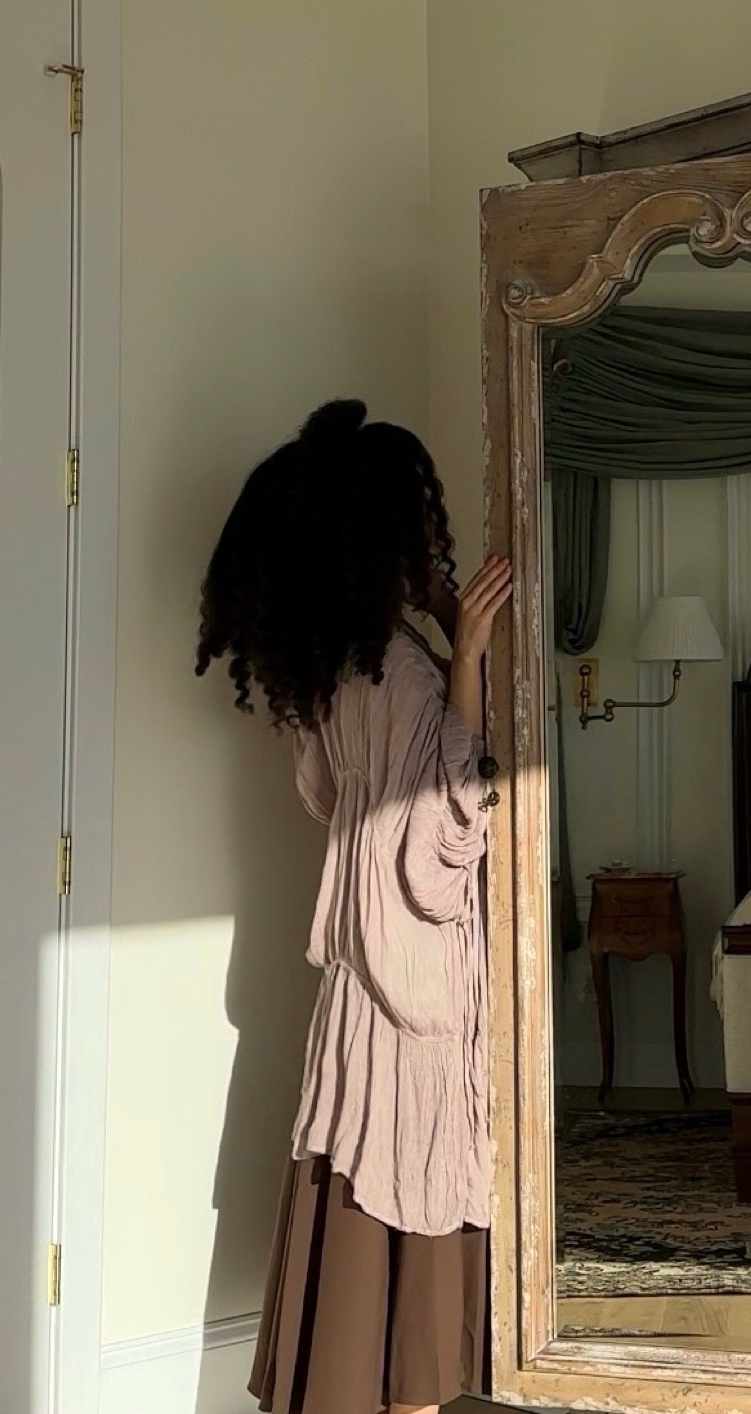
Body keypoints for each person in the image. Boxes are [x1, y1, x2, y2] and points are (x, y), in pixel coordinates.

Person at [196, 398, 512, 1414]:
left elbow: (332, 796)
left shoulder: (336, 663)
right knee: (409, 1191)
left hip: (355, 980)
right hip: (410, 975)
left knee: (357, 1180)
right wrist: (469, 659)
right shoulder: (406, 667)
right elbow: (441, 838)